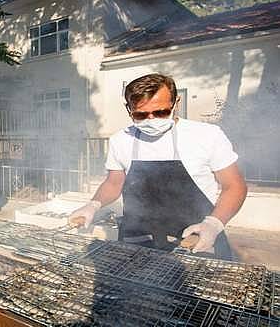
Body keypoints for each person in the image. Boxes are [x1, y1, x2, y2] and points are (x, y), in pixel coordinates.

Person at [70, 74, 247, 260]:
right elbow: (114, 182)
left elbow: (234, 186)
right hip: (139, 237)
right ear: (128, 109)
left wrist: (214, 224)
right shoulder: (120, 140)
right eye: (140, 115)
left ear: (176, 103)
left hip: (198, 235)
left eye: (161, 112)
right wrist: (92, 205)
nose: (151, 119)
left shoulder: (207, 135)